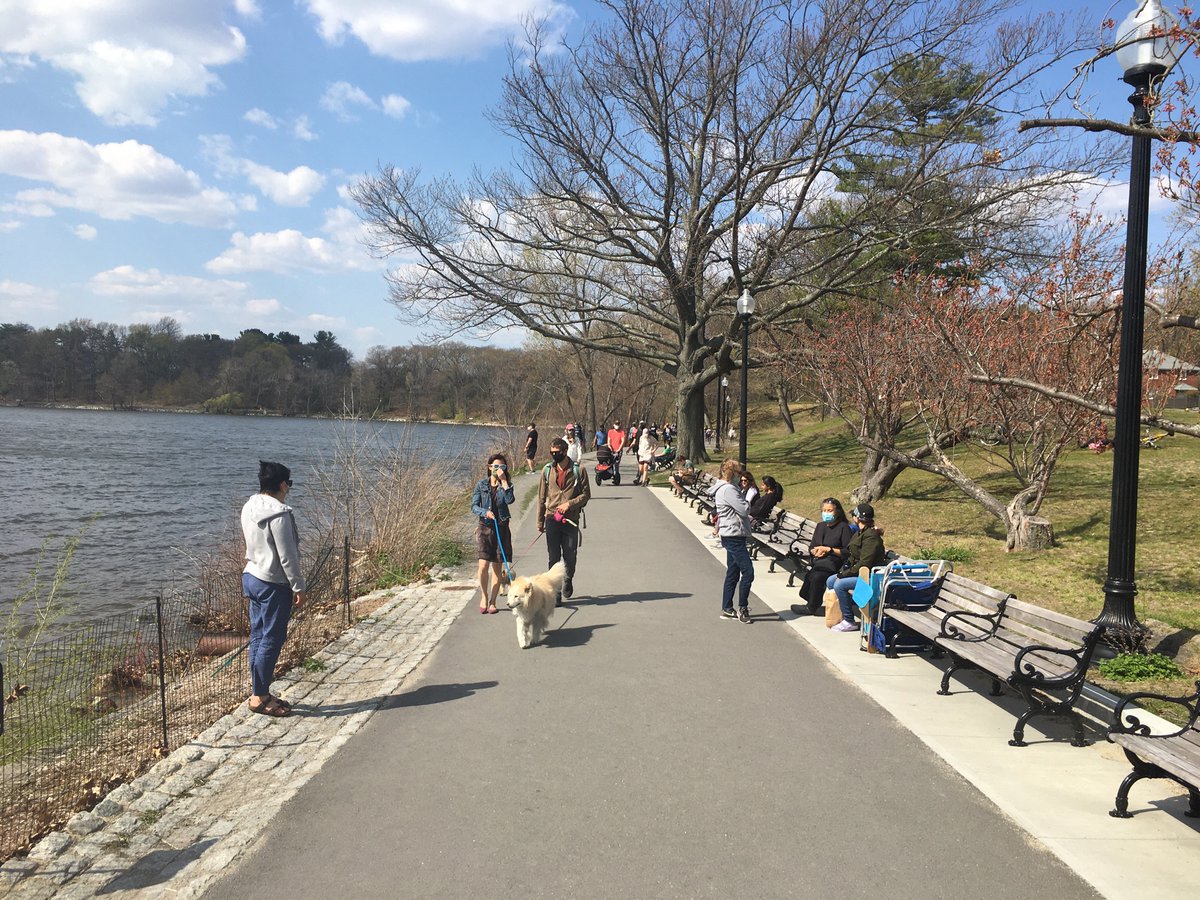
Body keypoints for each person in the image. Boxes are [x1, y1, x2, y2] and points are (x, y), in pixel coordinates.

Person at [240, 461, 306, 718]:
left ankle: (259, 691)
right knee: (272, 638)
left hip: (252, 575)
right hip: (273, 582)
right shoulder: (280, 514)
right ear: (282, 485)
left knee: (258, 635)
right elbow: (287, 555)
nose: (289, 489)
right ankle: (260, 696)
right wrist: (299, 586)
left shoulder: (249, 506)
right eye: (288, 484)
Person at [537, 437, 592, 605]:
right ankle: (556, 591)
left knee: (570, 555)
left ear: (564, 451)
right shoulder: (547, 470)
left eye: (557, 453)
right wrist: (540, 521)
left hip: (570, 520)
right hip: (552, 517)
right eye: (551, 453)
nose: (554, 456)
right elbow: (541, 497)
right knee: (553, 557)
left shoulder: (578, 470)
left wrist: (570, 503)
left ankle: (568, 579)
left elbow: (586, 494)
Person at [827, 503, 886, 632]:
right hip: (859, 572)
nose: (853, 517)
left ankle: (849, 621)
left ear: (858, 517)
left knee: (839, 584)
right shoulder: (860, 532)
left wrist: (845, 574)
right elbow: (852, 553)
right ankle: (843, 611)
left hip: (870, 576)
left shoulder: (871, 537)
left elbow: (865, 563)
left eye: (854, 514)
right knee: (831, 581)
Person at [790, 497, 852, 616]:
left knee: (818, 576)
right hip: (819, 561)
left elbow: (847, 552)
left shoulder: (843, 527)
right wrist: (815, 551)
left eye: (830, 511)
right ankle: (812, 602)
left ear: (837, 512)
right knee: (811, 577)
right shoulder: (820, 526)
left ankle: (811, 607)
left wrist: (829, 550)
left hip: (835, 562)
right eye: (824, 510)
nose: (826, 513)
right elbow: (813, 545)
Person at [471, 452, 515, 614]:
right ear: (490, 467)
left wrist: (503, 481)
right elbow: (473, 506)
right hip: (485, 527)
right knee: (483, 566)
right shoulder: (481, 485)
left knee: (497, 568)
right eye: (495, 466)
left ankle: (493, 601)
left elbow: (510, 500)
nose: (498, 469)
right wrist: (484, 512)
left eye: (502, 466)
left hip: (501, 528)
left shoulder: (507, 485)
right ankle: (484, 596)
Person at [711, 458, 753, 623]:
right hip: (734, 535)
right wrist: (747, 501)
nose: (740, 476)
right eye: (738, 473)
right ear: (731, 473)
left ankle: (727, 608)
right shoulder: (728, 489)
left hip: (733, 533)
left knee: (733, 573)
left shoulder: (729, 488)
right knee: (748, 572)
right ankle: (743, 607)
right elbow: (744, 510)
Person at [634, 420, 658, 485]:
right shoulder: (641, 438)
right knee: (641, 469)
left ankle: (643, 481)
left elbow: (657, 444)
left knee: (645, 467)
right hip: (641, 454)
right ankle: (647, 479)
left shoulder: (651, 438)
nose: (646, 435)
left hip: (648, 454)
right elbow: (639, 444)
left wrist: (653, 450)